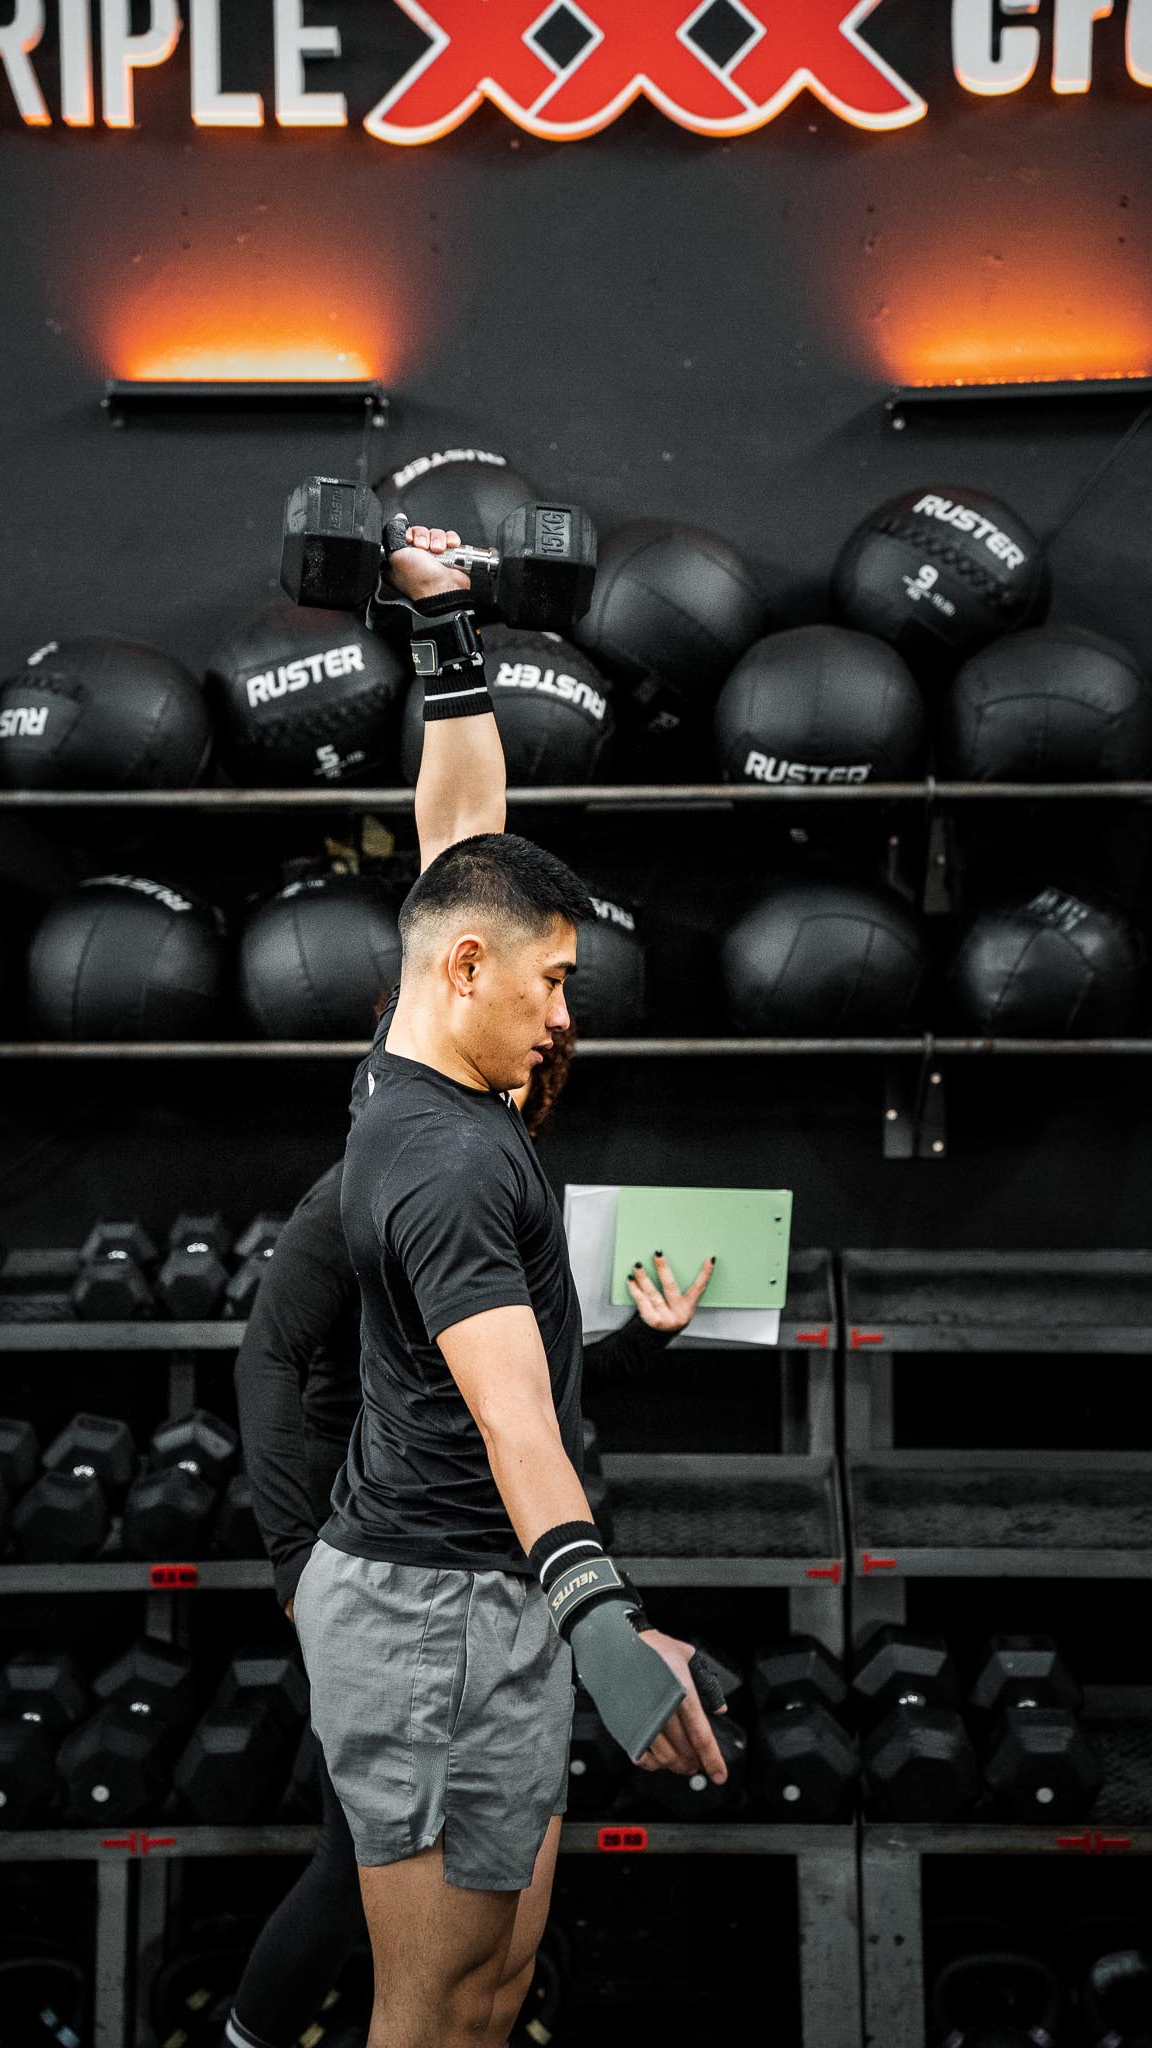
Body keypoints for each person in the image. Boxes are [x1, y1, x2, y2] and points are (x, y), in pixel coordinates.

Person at [262, 523, 728, 2048]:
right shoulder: (453, 1161)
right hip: (436, 1610)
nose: (564, 1015)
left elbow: (461, 832)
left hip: (482, 1591)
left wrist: (448, 629)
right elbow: (515, 1417)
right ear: (467, 971)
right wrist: (602, 1616)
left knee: (493, 1992)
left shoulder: (417, 1058)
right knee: (436, 2009)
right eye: (552, 983)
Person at [228, 1031, 713, 2048]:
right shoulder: (370, 1180)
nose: (523, 1083)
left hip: (497, 1572)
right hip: (392, 1565)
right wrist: (294, 1563)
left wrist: (644, 1340)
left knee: (469, 1956)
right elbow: (267, 1356)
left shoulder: (494, 1179)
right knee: (347, 1868)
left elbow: (527, 1389)